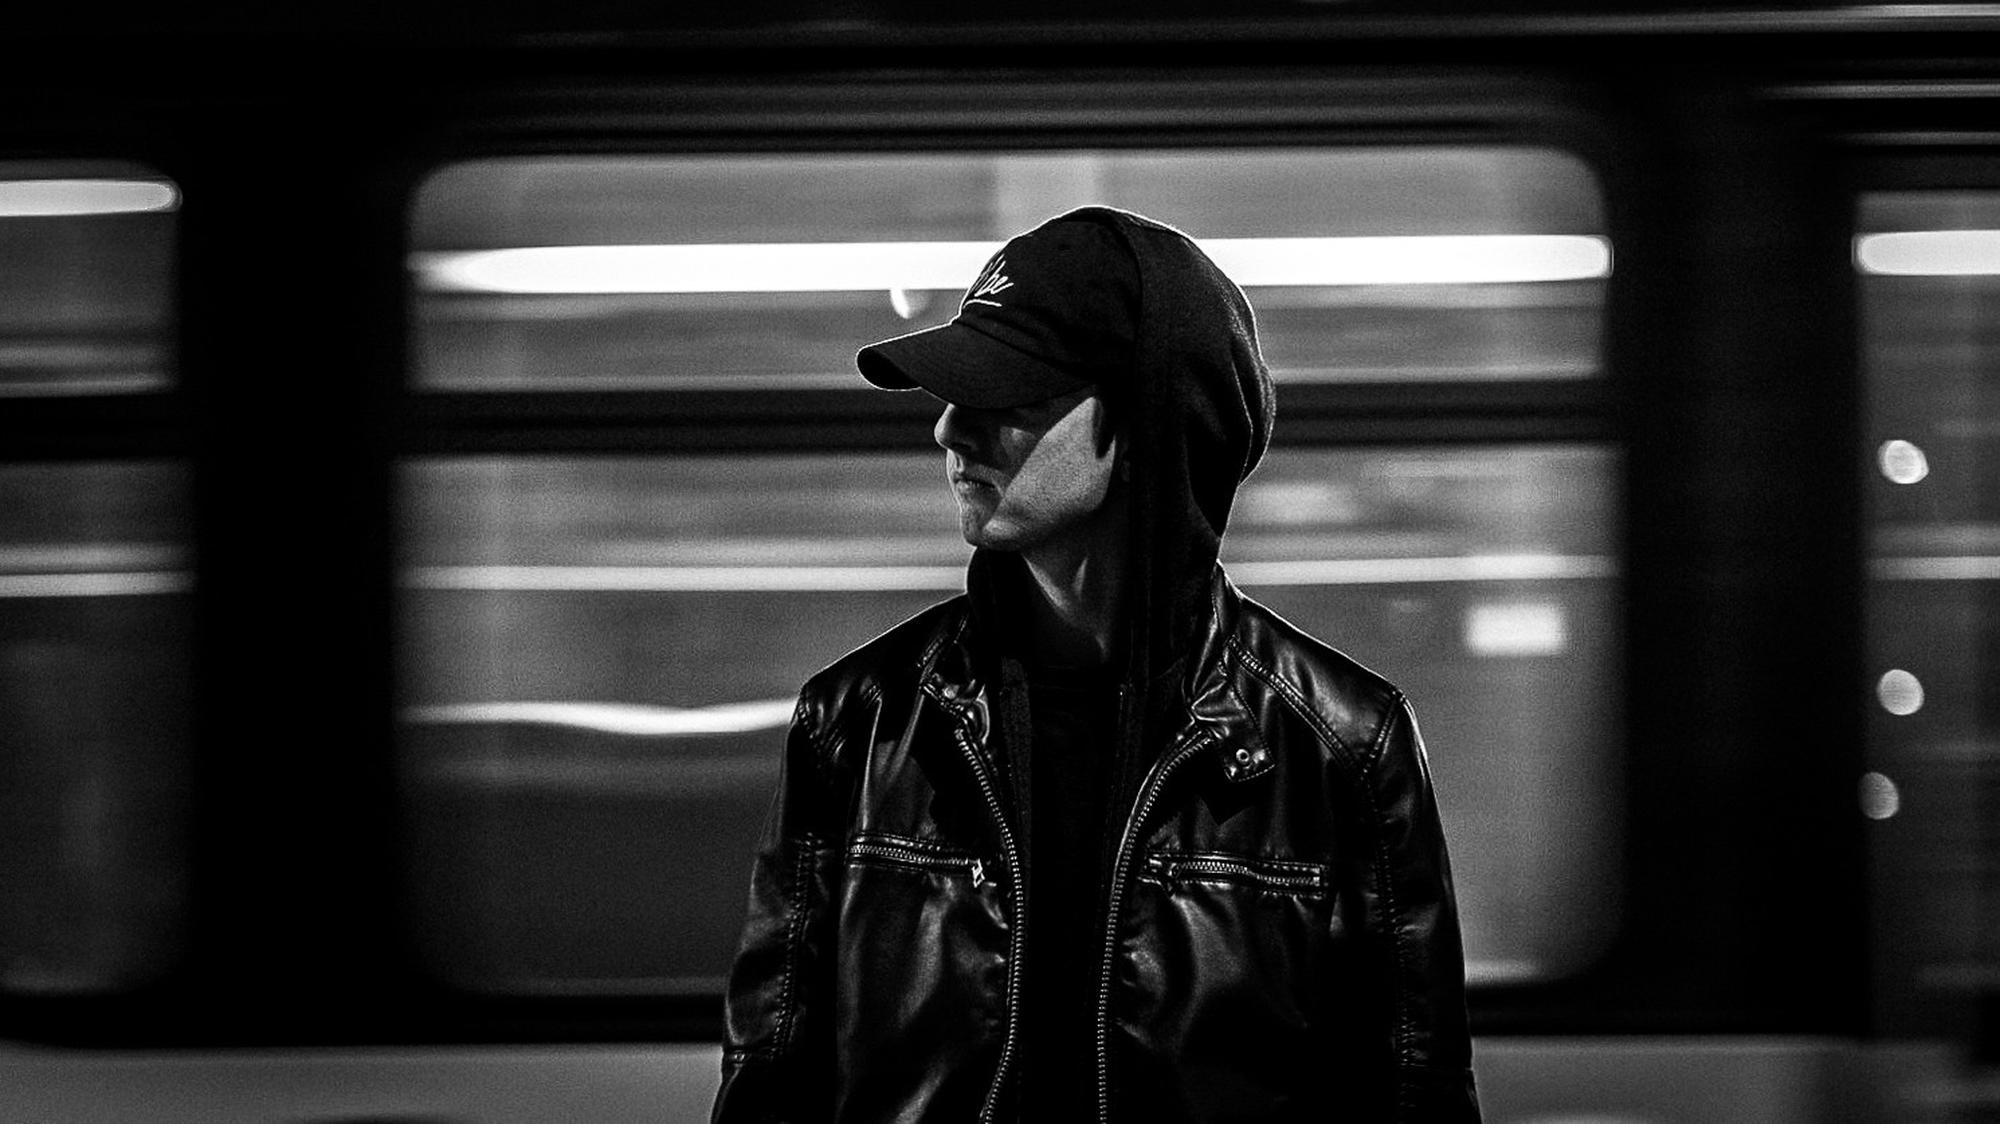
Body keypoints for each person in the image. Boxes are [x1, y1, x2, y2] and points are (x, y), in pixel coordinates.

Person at [714, 206, 1479, 1123]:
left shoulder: (1342, 748)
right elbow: (771, 1081)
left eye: (1008, 397)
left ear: (1147, 425)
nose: (950, 431)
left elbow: (1414, 1093)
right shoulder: (857, 724)